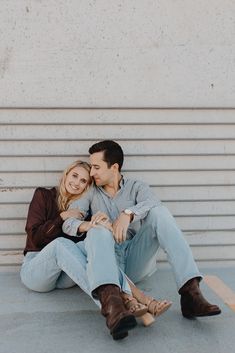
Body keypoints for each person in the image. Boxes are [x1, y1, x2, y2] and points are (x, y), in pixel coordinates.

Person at [63, 140, 221, 320]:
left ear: (114, 167)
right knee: (97, 231)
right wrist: (91, 224)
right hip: (108, 265)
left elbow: (154, 202)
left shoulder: (136, 188)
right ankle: (115, 302)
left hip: (135, 258)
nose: (92, 173)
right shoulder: (91, 192)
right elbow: (68, 223)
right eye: (91, 167)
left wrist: (128, 213)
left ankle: (191, 294)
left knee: (159, 213)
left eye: (96, 167)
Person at [20, 159, 171, 341]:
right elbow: (35, 237)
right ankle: (129, 301)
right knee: (61, 244)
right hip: (36, 271)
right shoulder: (43, 195)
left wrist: (99, 224)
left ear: (87, 187)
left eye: (83, 181)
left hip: (65, 276)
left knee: (91, 249)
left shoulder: (84, 208)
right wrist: (62, 217)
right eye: (74, 176)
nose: (76, 183)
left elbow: (96, 256)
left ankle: (119, 308)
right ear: (66, 174)